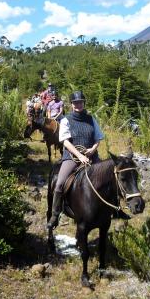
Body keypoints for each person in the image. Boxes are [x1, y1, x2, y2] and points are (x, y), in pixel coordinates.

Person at [47, 90, 104, 229]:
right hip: (72, 157)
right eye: (75, 102)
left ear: (84, 103)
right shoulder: (66, 119)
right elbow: (65, 142)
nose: (78, 104)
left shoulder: (91, 119)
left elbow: (98, 138)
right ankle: (55, 215)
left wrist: (93, 149)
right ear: (72, 105)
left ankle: (114, 210)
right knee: (59, 183)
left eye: (80, 102)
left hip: (91, 156)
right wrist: (80, 156)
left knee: (109, 178)